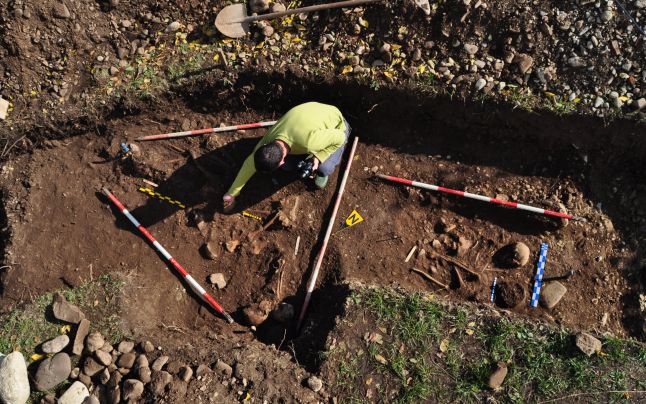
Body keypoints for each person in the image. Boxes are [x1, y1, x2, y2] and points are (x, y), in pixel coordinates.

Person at [222, 102, 351, 212]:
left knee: (325, 168)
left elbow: (339, 138)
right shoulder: (270, 139)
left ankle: (322, 166)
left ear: (281, 160)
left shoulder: (309, 141)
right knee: (289, 166)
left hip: (338, 126)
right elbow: (250, 163)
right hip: (312, 121)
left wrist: (317, 158)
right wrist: (231, 193)